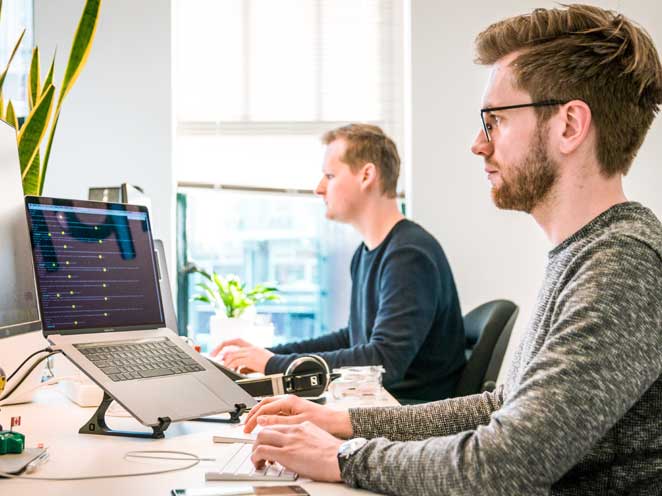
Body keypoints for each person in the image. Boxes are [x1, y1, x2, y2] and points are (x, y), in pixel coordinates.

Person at [241, 5, 662, 494]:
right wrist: (344, 422)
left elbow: (508, 463)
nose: (477, 145)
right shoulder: (587, 253)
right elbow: (502, 404)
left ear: (569, 125)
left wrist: (340, 456)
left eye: (495, 121)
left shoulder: (622, 264)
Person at [212, 123, 466, 402]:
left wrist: (273, 365)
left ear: (367, 175)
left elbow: (384, 363)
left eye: (330, 176)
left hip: (407, 415)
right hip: (378, 404)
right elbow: (353, 338)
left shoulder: (409, 256)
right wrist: (271, 355)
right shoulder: (367, 253)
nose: (318, 189)